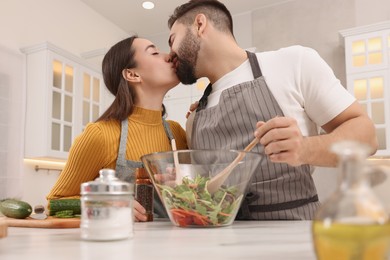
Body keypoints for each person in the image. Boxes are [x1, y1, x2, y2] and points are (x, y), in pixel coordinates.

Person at [167, 0, 378, 220]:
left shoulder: (293, 62)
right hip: (220, 242)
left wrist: (305, 148)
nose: (170, 53)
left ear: (200, 24)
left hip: (294, 240)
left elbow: (367, 137)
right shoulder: (195, 118)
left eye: (173, 40)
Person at [46, 36, 187, 221]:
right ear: (132, 74)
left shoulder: (176, 133)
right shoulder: (100, 135)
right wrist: (107, 205)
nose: (168, 56)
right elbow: (55, 203)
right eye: (154, 52)